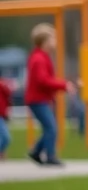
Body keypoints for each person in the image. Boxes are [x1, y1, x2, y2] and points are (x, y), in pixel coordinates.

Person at [26, 23, 75, 166]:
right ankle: (50, 156)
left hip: (40, 99)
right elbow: (43, 80)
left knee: (49, 127)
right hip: (37, 100)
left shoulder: (42, 57)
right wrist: (63, 85)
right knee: (51, 127)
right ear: (45, 42)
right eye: (53, 39)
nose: (55, 42)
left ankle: (36, 152)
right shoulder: (39, 59)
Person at [0, 77, 11, 160]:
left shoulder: (3, 85)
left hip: (2, 114)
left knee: (5, 137)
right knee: (5, 137)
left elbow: (7, 99)